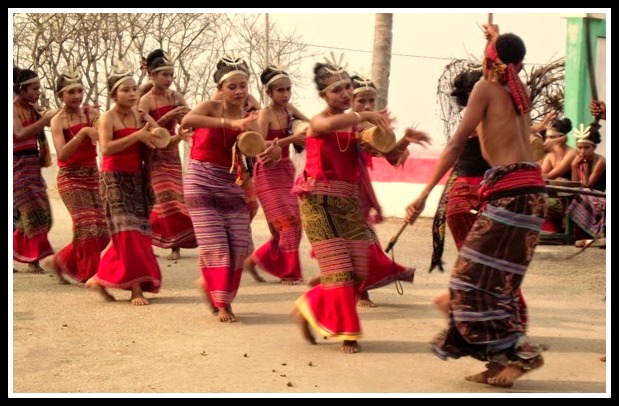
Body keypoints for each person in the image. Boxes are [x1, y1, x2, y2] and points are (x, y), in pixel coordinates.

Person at [405, 25, 547, 388]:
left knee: (467, 282)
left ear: (490, 60)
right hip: (532, 194)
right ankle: (499, 365)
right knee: (496, 283)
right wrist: (493, 39)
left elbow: (454, 145)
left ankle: (521, 355)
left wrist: (422, 197)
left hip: (510, 195)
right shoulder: (519, 91)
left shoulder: (485, 88)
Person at [290, 54, 392, 354]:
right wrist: (364, 116)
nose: (346, 94)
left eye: (348, 87)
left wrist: (398, 138)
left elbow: (383, 156)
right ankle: (348, 333)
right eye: (337, 90)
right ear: (323, 95)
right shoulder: (320, 121)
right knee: (338, 271)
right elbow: (330, 123)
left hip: (348, 203)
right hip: (318, 203)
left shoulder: (356, 129)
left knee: (360, 272)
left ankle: (307, 306)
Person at [180, 55, 281, 323]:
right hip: (201, 180)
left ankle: (209, 284)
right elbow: (189, 120)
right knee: (218, 247)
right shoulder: (210, 107)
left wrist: (274, 152)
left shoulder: (251, 117)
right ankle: (223, 303)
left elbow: (259, 149)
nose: (238, 91)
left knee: (239, 247)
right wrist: (230, 124)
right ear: (221, 89)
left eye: (243, 86)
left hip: (232, 183)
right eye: (232, 86)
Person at [429, 68, 529, 328]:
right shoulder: (479, 121)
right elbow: (452, 151)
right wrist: (422, 195)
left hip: (480, 196)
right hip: (474, 199)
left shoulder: (490, 119)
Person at [85, 63, 163, 306]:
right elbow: (106, 148)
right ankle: (135, 288)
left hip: (137, 178)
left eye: (134, 90)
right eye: (125, 90)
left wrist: (171, 138)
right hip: (114, 180)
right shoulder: (106, 118)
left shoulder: (140, 116)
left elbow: (156, 137)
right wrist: (137, 136)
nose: (132, 94)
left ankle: (101, 277)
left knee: (138, 233)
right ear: (112, 95)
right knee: (127, 234)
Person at [349, 73, 429, 307]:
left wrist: (404, 139)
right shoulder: (342, 123)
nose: (366, 106)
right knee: (352, 245)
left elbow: (392, 157)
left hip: (359, 191)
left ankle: (359, 290)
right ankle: (351, 291)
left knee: (365, 243)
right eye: (361, 101)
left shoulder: (374, 127)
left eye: (370, 101)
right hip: (338, 189)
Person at [241, 65, 310, 285]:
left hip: (286, 170)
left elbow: (310, 125)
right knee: (285, 223)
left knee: (295, 222)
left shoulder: (289, 109)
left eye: (288, 89)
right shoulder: (265, 114)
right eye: (280, 90)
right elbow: (259, 144)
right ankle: (287, 272)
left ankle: (256, 260)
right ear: (269, 93)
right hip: (267, 172)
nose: (285, 94)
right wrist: (291, 140)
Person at [45, 68, 110, 285]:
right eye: (71, 92)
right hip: (70, 177)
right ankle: (89, 274)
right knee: (87, 225)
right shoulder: (58, 120)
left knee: (103, 228)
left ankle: (61, 261)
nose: (77, 96)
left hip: (93, 174)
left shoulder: (91, 114)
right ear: (59, 95)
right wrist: (82, 133)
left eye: (79, 91)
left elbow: (107, 137)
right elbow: (62, 154)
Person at [138, 49, 197, 261]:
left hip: (173, 152)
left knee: (176, 198)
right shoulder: (144, 101)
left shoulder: (175, 96)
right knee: (162, 199)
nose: (169, 80)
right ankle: (153, 240)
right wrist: (168, 116)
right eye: (165, 75)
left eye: (172, 75)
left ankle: (176, 245)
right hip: (154, 153)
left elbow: (188, 121)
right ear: (152, 76)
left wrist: (188, 121)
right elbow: (154, 133)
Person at [13, 67, 57, 274]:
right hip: (17, 167)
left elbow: (51, 119)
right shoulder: (12, 109)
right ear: (21, 90)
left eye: (39, 88)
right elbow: (20, 134)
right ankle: (34, 260)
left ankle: (21, 252)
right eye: (34, 88)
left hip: (32, 167)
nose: (38, 92)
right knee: (33, 214)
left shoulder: (31, 108)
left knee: (44, 214)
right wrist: (43, 121)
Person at [568, 123, 606, 246]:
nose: (582, 151)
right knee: (576, 196)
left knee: (584, 195)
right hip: (586, 193)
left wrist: (584, 168)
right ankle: (579, 235)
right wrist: (574, 166)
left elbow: (587, 185)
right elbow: (574, 185)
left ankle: (594, 235)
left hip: (600, 195)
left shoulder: (600, 161)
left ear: (593, 148)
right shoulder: (577, 160)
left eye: (586, 147)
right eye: (580, 147)